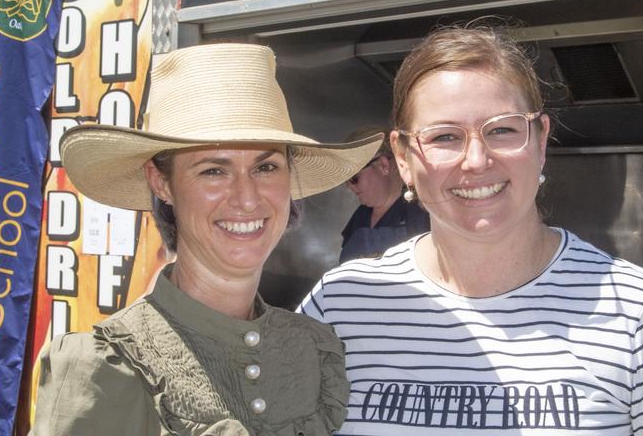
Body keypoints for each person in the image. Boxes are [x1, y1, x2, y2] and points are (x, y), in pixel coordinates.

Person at [300, 24, 643, 435]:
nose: (476, 160)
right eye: (444, 137)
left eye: (502, 130)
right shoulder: (340, 304)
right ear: (403, 157)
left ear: (540, 141)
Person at [33, 43, 382, 435]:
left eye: (266, 166)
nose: (247, 198)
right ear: (160, 181)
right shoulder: (107, 365)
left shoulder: (314, 348)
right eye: (214, 171)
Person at [338, 126, 430, 262]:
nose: (349, 186)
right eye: (345, 180)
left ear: (383, 165)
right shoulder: (360, 216)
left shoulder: (422, 213)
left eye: (354, 178)